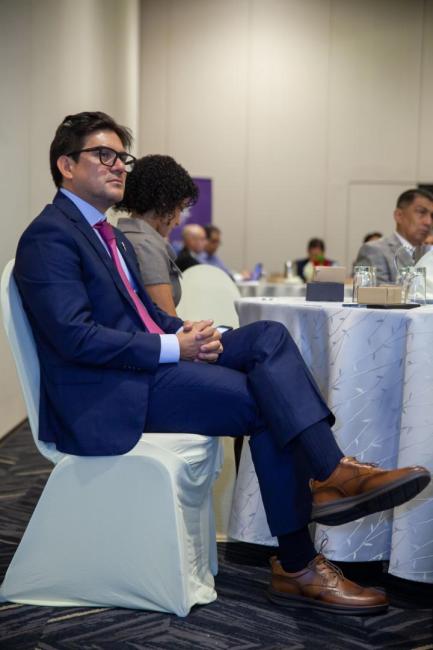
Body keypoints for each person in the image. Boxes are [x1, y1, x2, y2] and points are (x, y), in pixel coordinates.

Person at [13, 111, 430, 616]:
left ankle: (331, 473)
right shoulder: (50, 236)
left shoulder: (111, 236)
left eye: (123, 156)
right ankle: (300, 561)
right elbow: (74, 338)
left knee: (267, 336)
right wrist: (176, 348)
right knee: (267, 404)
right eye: (104, 155)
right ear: (65, 165)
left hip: (142, 368)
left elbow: (144, 317)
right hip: (109, 393)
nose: (119, 165)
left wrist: (193, 334)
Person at [115, 155, 197, 316]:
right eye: (180, 208)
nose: (178, 222)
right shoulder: (146, 246)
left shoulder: (123, 235)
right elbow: (167, 321)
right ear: (165, 203)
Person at [354, 189, 433, 284]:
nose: (428, 222)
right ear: (399, 215)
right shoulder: (375, 250)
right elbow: (375, 291)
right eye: (421, 212)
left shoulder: (429, 253)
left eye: (432, 216)